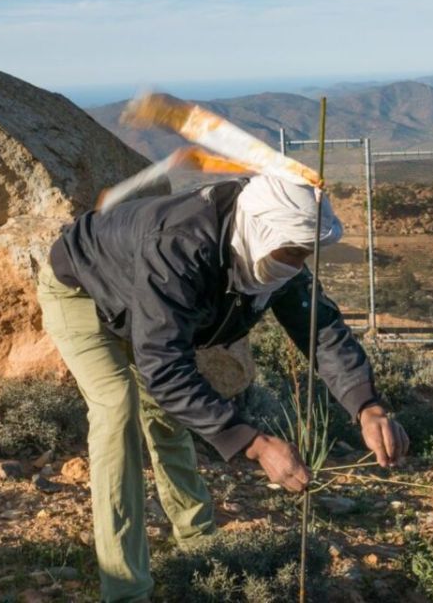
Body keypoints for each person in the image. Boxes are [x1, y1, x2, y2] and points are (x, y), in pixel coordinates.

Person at [36, 174, 409, 603]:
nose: (297, 262)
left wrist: (367, 406)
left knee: (166, 415)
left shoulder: (274, 249)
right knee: (117, 408)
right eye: (293, 252)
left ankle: (197, 540)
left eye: (306, 253)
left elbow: (320, 328)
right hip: (83, 291)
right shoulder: (180, 247)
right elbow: (164, 366)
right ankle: (125, 588)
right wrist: (255, 443)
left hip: (145, 305)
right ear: (260, 232)